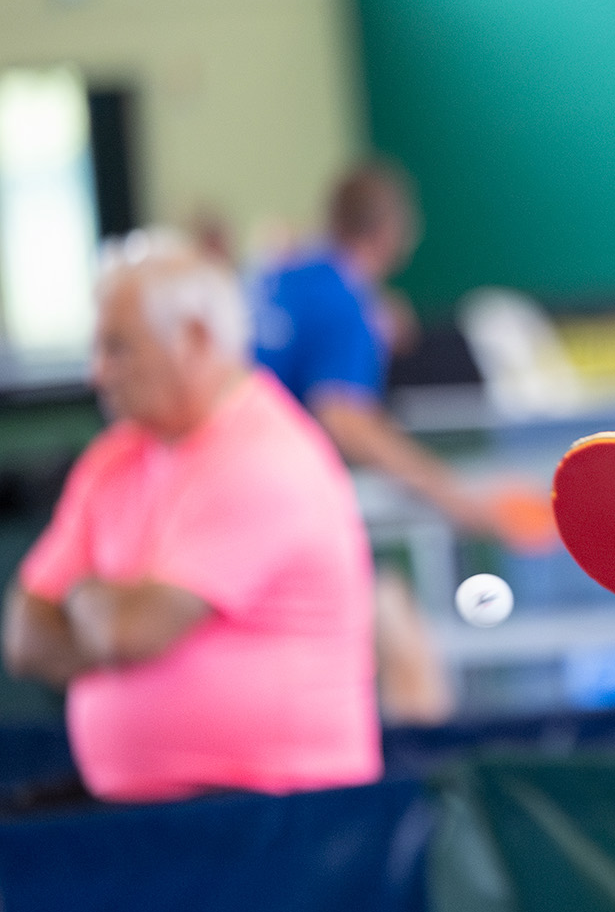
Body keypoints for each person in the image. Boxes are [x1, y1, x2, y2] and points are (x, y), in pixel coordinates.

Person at [2, 233, 381, 801]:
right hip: (144, 811)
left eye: (118, 348)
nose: (97, 373)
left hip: (276, 815)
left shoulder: (263, 456)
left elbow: (131, 629)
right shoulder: (113, 459)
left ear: (195, 338)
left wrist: (82, 596)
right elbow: (24, 636)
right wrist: (112, 632)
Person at [252, 161, 549, 544]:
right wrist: (458, 500)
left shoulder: (285, 274)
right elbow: (345, 420)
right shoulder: (345, 300)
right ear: (391, 230)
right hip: (266, 491)